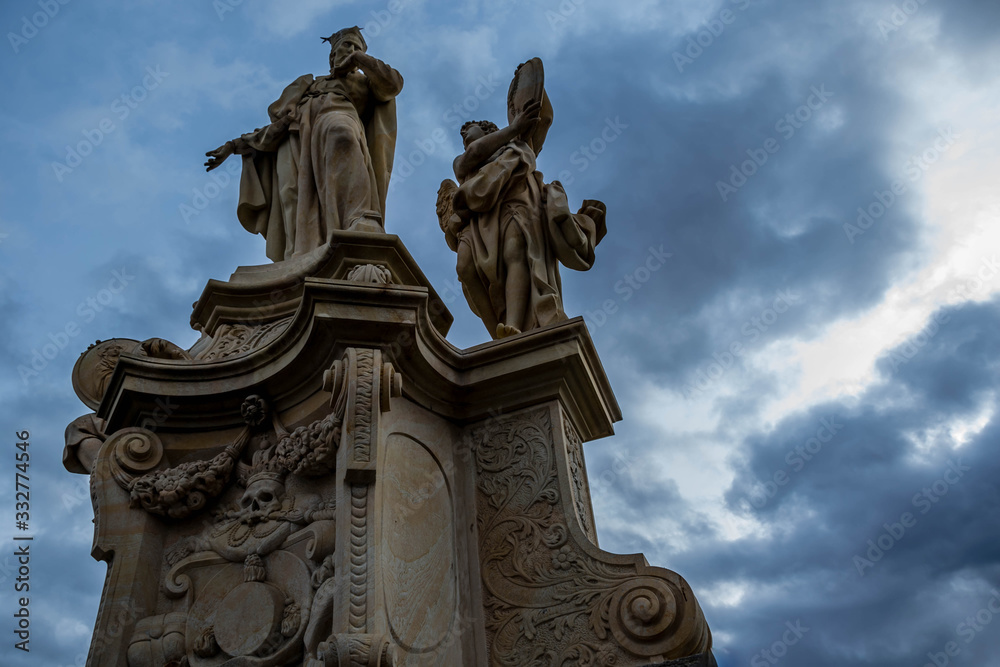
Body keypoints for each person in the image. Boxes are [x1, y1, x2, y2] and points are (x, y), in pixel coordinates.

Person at [205, 27, 402, 261]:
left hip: (338, 115)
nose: (351, 50)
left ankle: (357, 220)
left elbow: (393, 85)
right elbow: (277, 128)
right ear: (332, 55)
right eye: (347, 46)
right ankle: (301, 252)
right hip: (297, 137)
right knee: (292, 192)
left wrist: (360, 59)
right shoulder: (309, 85)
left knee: (343, 137)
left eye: (356, 47)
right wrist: (234, 145)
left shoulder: (365, 81)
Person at [438, 88, 606, 339]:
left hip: (517, 206)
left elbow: (543, 117)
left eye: (468, 131)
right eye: (462, 137)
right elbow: (472, 155)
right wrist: (514, 126)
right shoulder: (464, 163)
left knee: (516, 252)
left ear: (488, 129)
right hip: (478, 222)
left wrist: (529, 86)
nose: (464, 136)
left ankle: (513, 327)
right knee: (465, 268)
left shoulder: (518, 146)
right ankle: (495, 331)